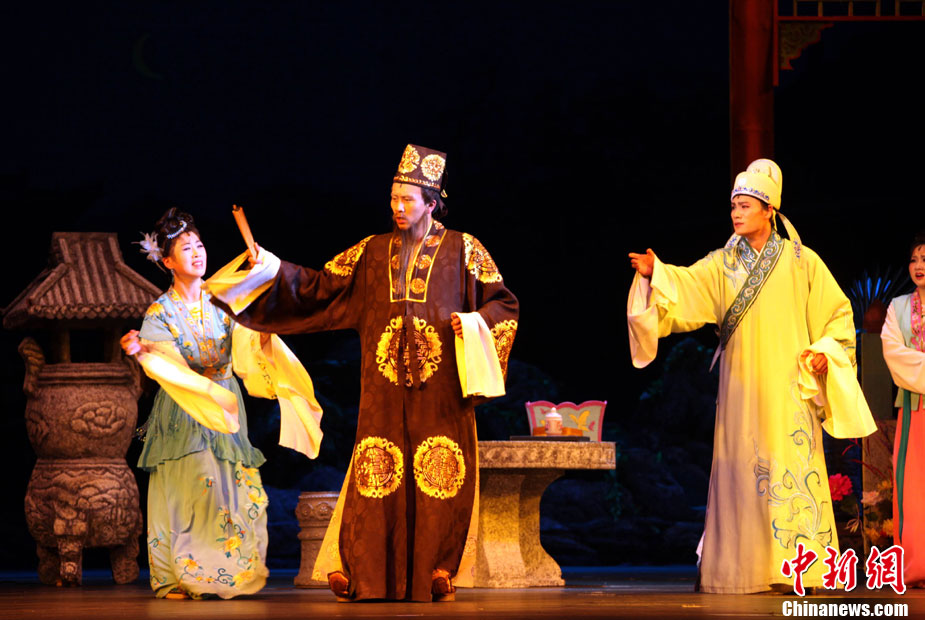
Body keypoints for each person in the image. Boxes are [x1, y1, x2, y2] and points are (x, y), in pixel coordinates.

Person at [206, 144, 519, 602]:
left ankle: (438, 571)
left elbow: (503, 304)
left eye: (407, 199)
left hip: (441, 387)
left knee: (440, 473)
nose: (397, 207)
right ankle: (364, 574)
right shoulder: (372, 251)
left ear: (431, 203)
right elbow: (319, 287)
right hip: (383, 387)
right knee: (377, 472)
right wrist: (269, 267)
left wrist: (474, 323)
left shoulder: (464, 248)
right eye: (393, 199)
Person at [626, 159, 875, 594]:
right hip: (741, 388)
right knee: (741, 468)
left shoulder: (802, 262)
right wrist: (657, 273)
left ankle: (798, 570)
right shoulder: (722, 264)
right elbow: (686, 287)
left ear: (769, 210)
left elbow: (836, 315)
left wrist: (824, 353)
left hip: (788, 387)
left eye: (745, 206)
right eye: (733, 206)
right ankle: (741, 572)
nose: (736, 213)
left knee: (790, 468)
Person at [121, 208, 322, 599]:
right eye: (186, 249)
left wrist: (261, 330)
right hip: (185, 405)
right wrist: (143, 351)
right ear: (167, 262)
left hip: (226, 402)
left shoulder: (221, 300)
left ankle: (222, 571)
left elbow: (246, 340)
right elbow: (167, 366)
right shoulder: (159, 313)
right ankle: (176, 576)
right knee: (189, 484)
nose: (197, 253)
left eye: (199, 245)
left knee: (227, 484)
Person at [879, 231, 925, 588]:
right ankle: (916, 565)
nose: (918, 265)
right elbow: (893, 351)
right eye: (914, 259)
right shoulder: (897, 308)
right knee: (913, 488)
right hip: (914, 408)